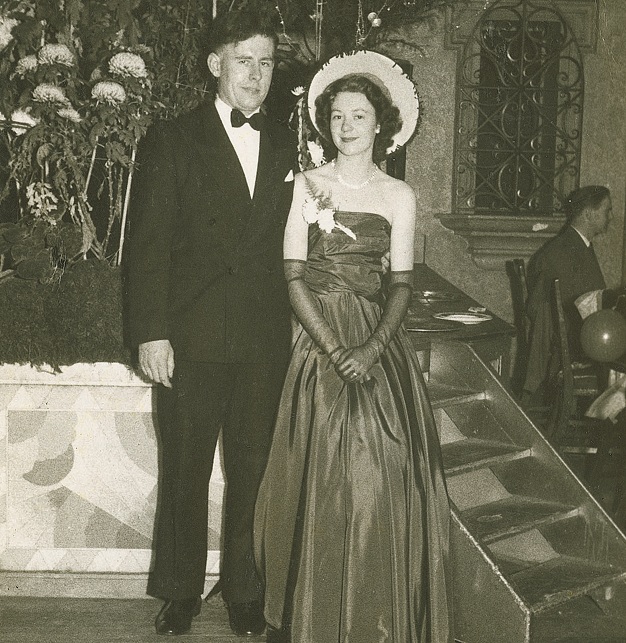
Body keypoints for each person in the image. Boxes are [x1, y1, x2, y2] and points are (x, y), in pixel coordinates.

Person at [254, 50, 454, 643]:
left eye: (359, 115)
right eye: (337, 115)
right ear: (326, 122)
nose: (347, 126)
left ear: (380, 124)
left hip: (377, 344)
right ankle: (313, 613)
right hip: (317, 343)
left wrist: (369, 349)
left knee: (382, 473)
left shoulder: (399, 195)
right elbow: (292, 275)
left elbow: (402, 283)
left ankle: (378, 613)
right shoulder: (306, 187)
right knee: (315, 477)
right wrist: (333, 346)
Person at [125, 7, 296, 637]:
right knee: (186, 471)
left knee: (254, 470)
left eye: (267, 62)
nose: (256, 74)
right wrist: (150, 332)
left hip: (263, 340)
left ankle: (246, 593)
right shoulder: (170, 141)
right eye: (244, 60)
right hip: (189, 340)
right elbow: (148, 247)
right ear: (214, 65)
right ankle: (179, 593)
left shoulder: (288, 145)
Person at [523, 185, 616, 399]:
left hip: (582, 336)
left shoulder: (576, 245)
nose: (610, 217)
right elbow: (571, 310)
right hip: (578, 347)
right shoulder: (564, 251)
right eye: (606, 210)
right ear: (588, 214)